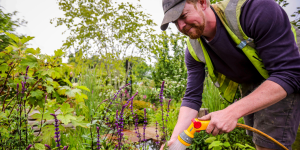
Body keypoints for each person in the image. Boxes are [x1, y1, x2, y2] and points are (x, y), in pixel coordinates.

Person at [160, 0, 300, 149]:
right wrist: (175, 139)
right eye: (175, 22)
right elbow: (192, 97)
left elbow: (289, 73)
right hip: (253, 78)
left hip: (287, 70)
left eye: (183, 15)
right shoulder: (194, 50)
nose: (180, 26)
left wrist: (231, 112)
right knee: (259, 138)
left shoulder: (255, 10)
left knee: (268, 144)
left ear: (202, 3)